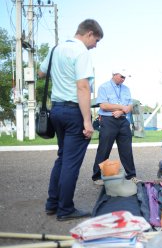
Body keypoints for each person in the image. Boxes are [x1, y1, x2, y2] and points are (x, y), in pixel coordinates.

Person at [38, 19, 103, 221]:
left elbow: (41, 73)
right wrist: (87, 121)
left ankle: (52, 204)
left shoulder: (56, 48)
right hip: (74, 111)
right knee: (70, 163)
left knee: (62, 157)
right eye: (96, 40)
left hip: (56, 110)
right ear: (89, 33)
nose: (95, 46)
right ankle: (65, 209)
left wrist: (60, 75)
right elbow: (83, 87)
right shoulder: (81, 52)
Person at [92, 68, 138, 185]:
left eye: (125, 77)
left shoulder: (126, 89)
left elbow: (130, 106)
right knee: (104, 149)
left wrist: (121, 112)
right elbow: (103, 105)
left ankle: (131, 175)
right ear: (114, 74)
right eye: (122, 76)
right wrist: (122, 107)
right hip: (108, 120)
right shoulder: (104, 87)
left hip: (123, 120)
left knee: (126, 149)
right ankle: (96, 177)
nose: (123, 79)